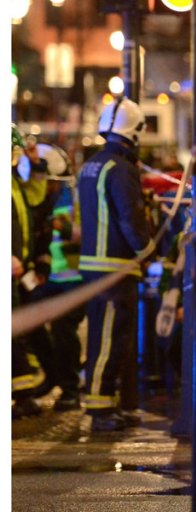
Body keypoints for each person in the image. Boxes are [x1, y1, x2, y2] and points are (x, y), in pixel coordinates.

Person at [77, 97, 155, 431]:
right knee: (110, 338)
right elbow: (131, 218)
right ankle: (99, 410)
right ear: (134, 131)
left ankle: (105, 404)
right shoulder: (122, 169)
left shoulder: (92, 164)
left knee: (102, 336)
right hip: (115, 267)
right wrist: (149, 251)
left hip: (95, 266)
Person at [26, 143, 87, 412]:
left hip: (74, 279)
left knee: (64, 330)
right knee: (26, 317)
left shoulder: (74, 197)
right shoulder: (41, 199)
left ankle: (70, 389)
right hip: (51, 278)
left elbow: (85, 234)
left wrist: (61, 227)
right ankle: (52, 373)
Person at [11, 125, 48, 419]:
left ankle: (24, 392)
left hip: (18, 271)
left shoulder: (11, 181)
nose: (15, 157)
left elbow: (34, 198)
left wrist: (36, 164)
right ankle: (23, 395)